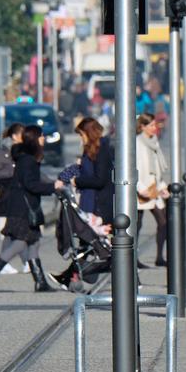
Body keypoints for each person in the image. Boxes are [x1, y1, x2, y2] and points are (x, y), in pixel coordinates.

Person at [0, 125, 65, 293]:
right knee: (20, 243)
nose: (44, 139)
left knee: (33, 243)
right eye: (41, 136)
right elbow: (30, 184)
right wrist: (52, 187)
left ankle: (40, 282)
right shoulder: (28, 160)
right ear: (34, 139)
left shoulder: (27, 158)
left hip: (24, 206)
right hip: (22, 209)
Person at [46, 117, 114, 290]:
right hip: (90, 201)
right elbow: (84, 169)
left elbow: (100, 180)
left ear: (89, 134)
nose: (80, 139)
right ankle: (72, 276)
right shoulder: (91, 149)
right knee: (89, 242)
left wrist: (77, 182)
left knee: (98, 243)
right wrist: (67, 175)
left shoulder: (103, 150)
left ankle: (73, 275)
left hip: (98, 204)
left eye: (82, 135)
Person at [0, 123, 30, 275]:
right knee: (10, 233)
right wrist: (12, 172)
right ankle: (12, 263)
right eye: (22, 135)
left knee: (17, 232)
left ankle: (27, 262)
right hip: (5, 199)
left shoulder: (22, 153)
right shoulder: (3, 153)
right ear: (14, 136)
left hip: (18, 198)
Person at [136, 112, 169, 267]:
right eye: (151, 125)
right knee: (137, 224)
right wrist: (140, 188)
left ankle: (159, 257)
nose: (154, 128)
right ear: (142, 127)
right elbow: (133, 169)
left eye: (155, 125)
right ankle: (133, 258)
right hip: (141, 191)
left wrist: (162, 187)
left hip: (153, 190)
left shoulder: (154, 142)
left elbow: (156, 169)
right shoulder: (137, 144)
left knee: (163, 222)